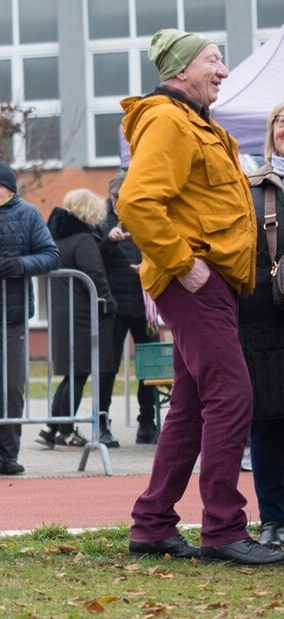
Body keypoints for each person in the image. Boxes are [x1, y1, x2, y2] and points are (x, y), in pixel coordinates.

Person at [118, 29, 284, 566]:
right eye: (214, 60)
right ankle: (224, 530)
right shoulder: (168, 119)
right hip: (198, 283)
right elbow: (138, 203)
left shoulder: (198, 123)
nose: (224, 71)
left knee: (189, 407)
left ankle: (152, 525)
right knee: (233, 396)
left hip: (214, 285)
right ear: (182, 68)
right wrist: (185, 266)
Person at [0, 163, 59, 478]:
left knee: (13, 388)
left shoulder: (29, 215)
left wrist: (22, 264)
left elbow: (50, 255)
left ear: (10, 189)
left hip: (13, 317)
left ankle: (8, 454)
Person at [37, 190, 117, 450]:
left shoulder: (57, 239)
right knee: (79, 374)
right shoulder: (83, 240)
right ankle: (66, 431)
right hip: (82, 314)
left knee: (71, 374)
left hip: (62, 313)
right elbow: (94, 274)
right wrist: (107, 302)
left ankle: (51, 427)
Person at [239, 102, 284, 550]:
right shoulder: (252, 189)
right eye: (281, 121)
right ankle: (273, 519)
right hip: (263, 320)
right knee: (268, 422)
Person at [94, 172, 160, 446]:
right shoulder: (100, 220)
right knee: (108, 367)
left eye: (124, 195)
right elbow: (93, 257)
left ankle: (147, 422)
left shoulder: (146, 214)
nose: (119, 200)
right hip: (114, 306)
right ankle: (100, 422)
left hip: (144, 304)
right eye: (116, 196)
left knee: (152, 367)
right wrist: (109, 241)